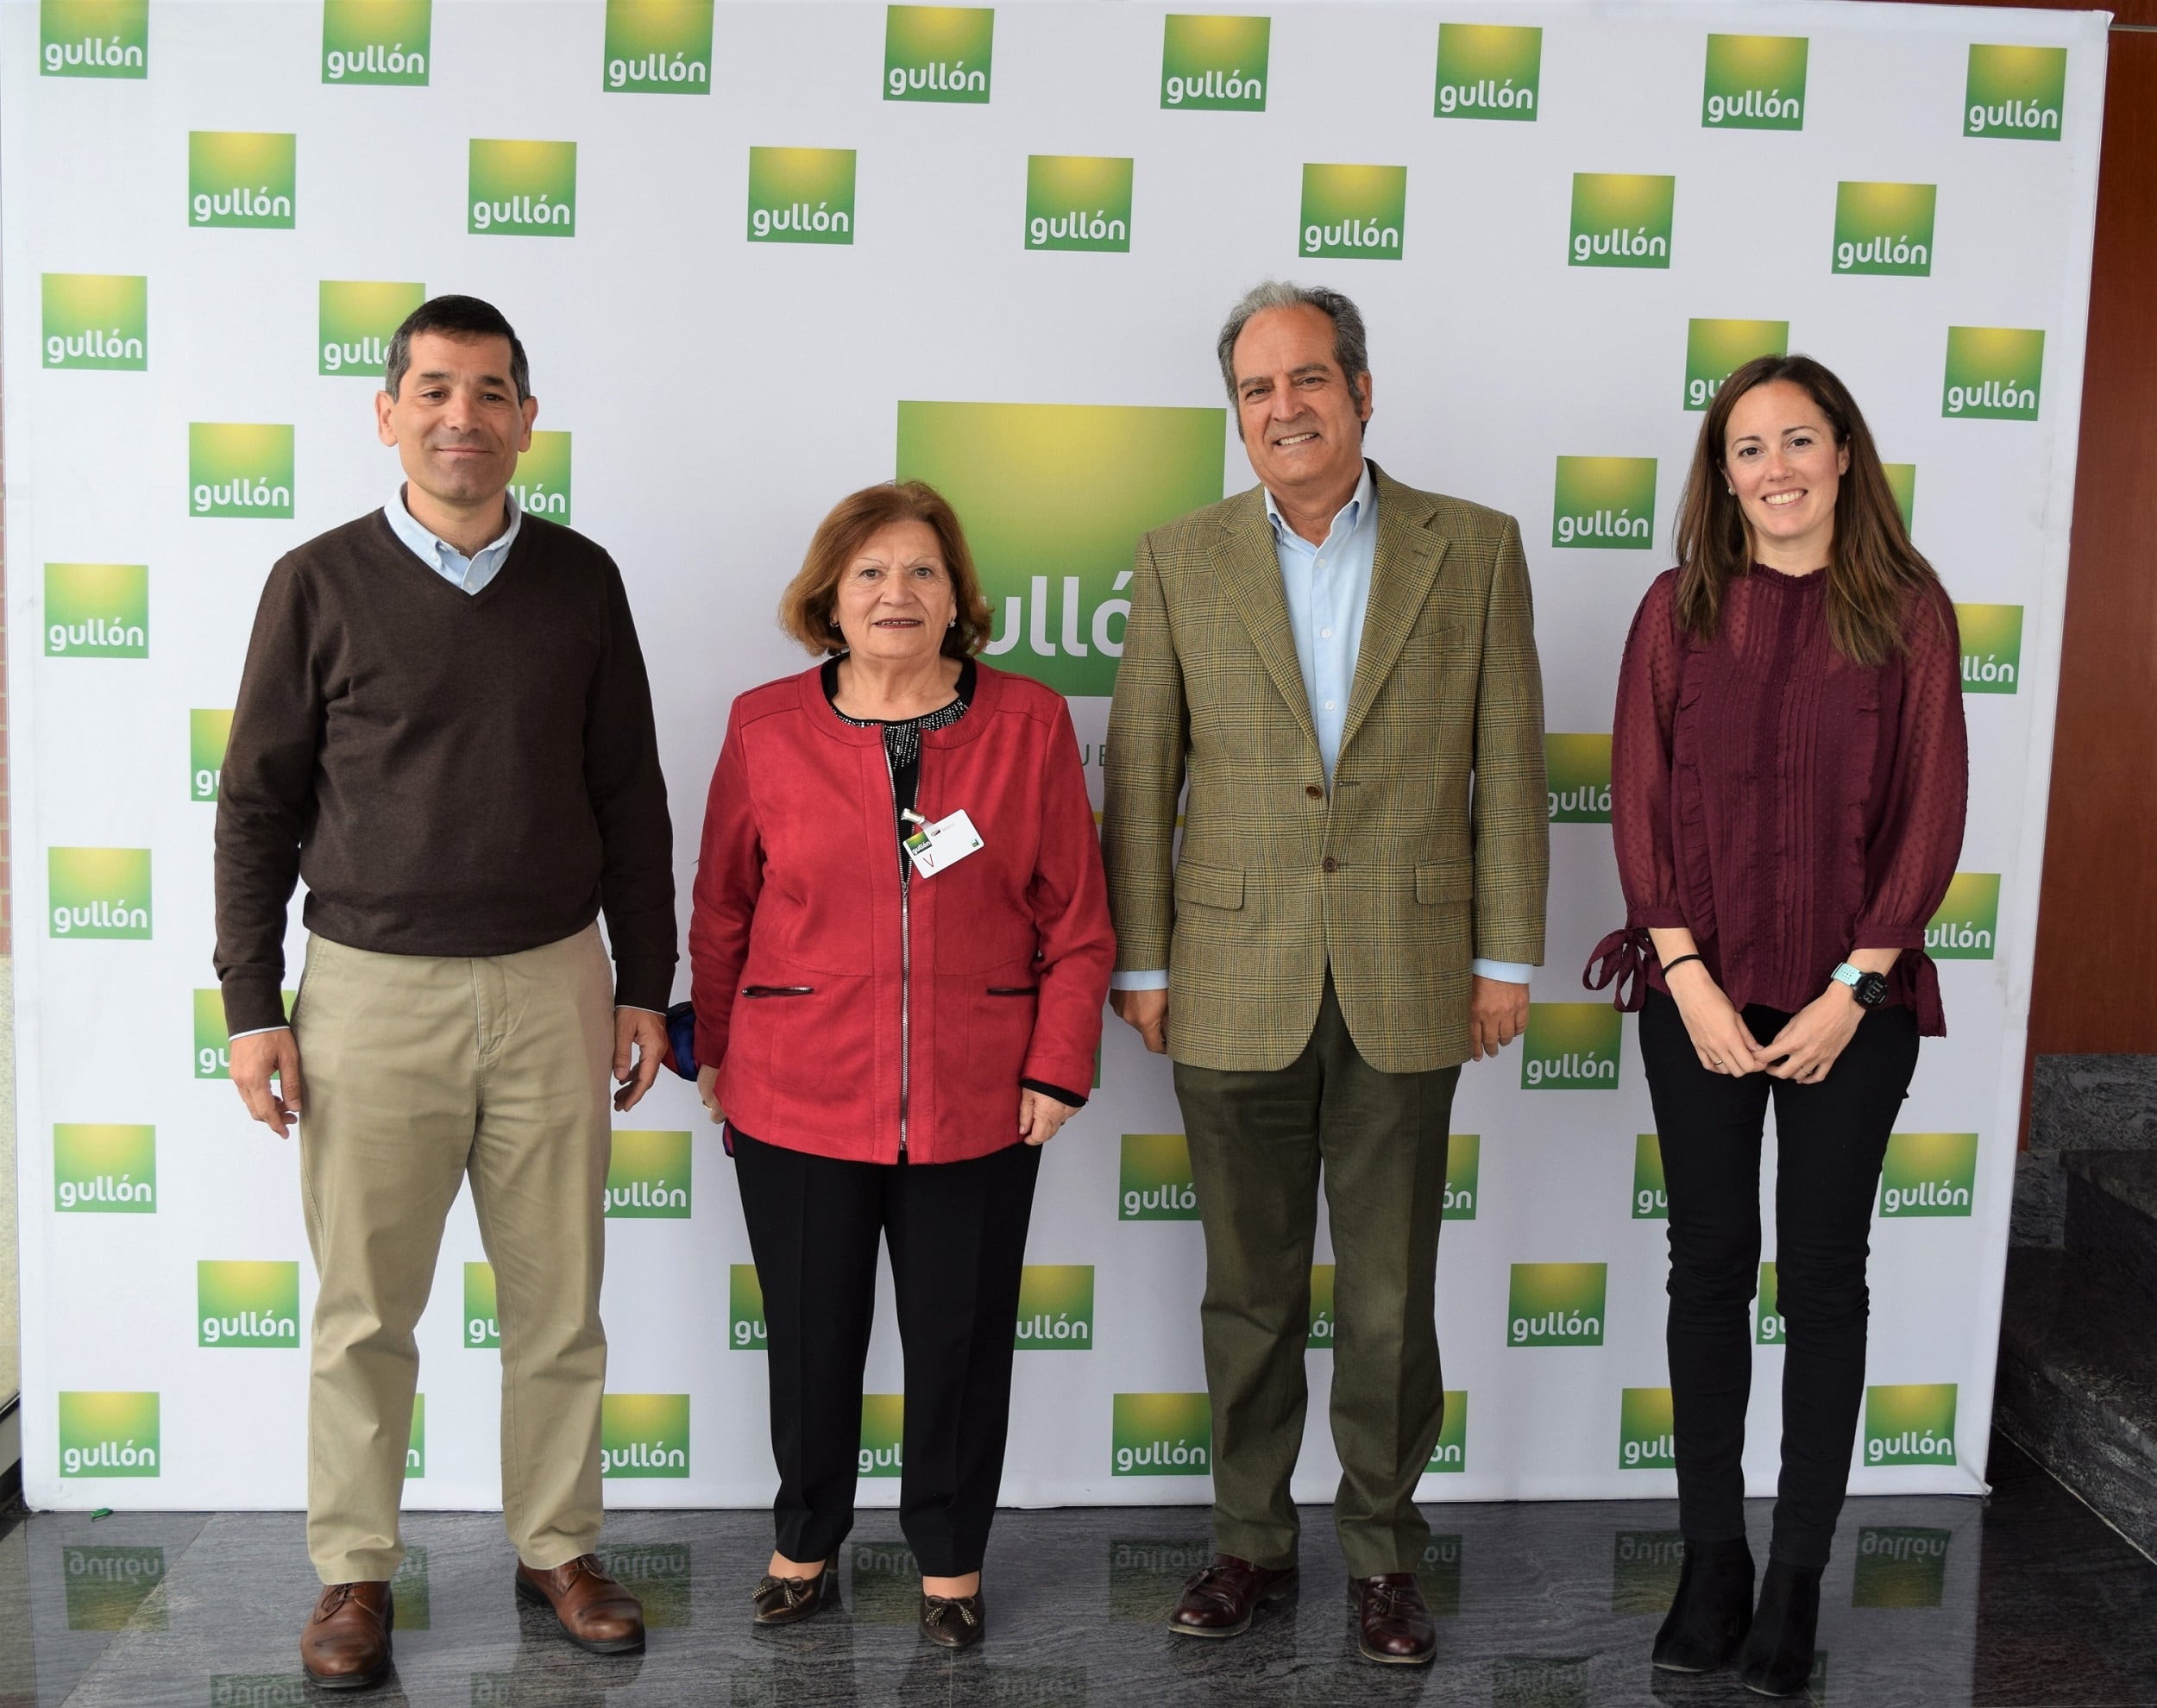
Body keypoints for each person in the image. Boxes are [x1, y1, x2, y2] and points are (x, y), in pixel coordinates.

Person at [215, 295, 676, 1690]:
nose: (460, 418)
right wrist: (252, 1003)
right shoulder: (316, 581)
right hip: (367, 993)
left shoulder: (583, 581)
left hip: (552, 984)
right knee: (365, 1312)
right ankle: (355, 1576)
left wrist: (643, 984)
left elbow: (629, 796)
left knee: (560, 1304)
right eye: (433, 391)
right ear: (388, 414)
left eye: (489, 394)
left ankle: (557, 1548)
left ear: (527, 421)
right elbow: (255, 806)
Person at [1102, 281, 1549, 1667]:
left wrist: (1506, 955)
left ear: (1361, 390)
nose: (1282, 408)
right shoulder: (1180, 557)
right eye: (1255, 389)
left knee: (1388, 1296)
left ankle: (1381, 1555)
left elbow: (1512, 766)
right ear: (1234, 414)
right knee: (1247, 1291)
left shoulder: (1471, 547)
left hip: (1414, 971)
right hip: (1229, 975)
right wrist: (1145, 957)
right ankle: (1247, 1543)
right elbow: (1141, 776)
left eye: (1307, 380)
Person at [1582, 354, 1967, 1697]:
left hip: (1852, 1005)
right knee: (1706, 1270)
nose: (1777, 468)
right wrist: (1680, 971)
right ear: (1722, 472)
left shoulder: (1910, 614)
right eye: (1749, 448)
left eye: (1801, 439)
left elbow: (1929, 813)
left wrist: (1853, 992)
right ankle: (1712, 1561)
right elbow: (1639, 793)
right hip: (1698, 987)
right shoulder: (1673, 610)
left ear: (1847, 454)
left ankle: (1797, 1573)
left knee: (1822, 1277)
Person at [689, 481, 1114, 1649]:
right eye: (870, 571)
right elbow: (722, 905)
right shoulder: (763, 725)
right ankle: (805, 1539)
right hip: (796, 1092)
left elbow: (1078, 917)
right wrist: (717, 1049)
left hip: (979, 1100)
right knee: (813, 1337)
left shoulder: (1027, 724)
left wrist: (1058, 1064)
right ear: (829, 594)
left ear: (958, 597)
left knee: (961, 1343)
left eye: (922, 571)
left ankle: (951, 1558)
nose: (896, 593)